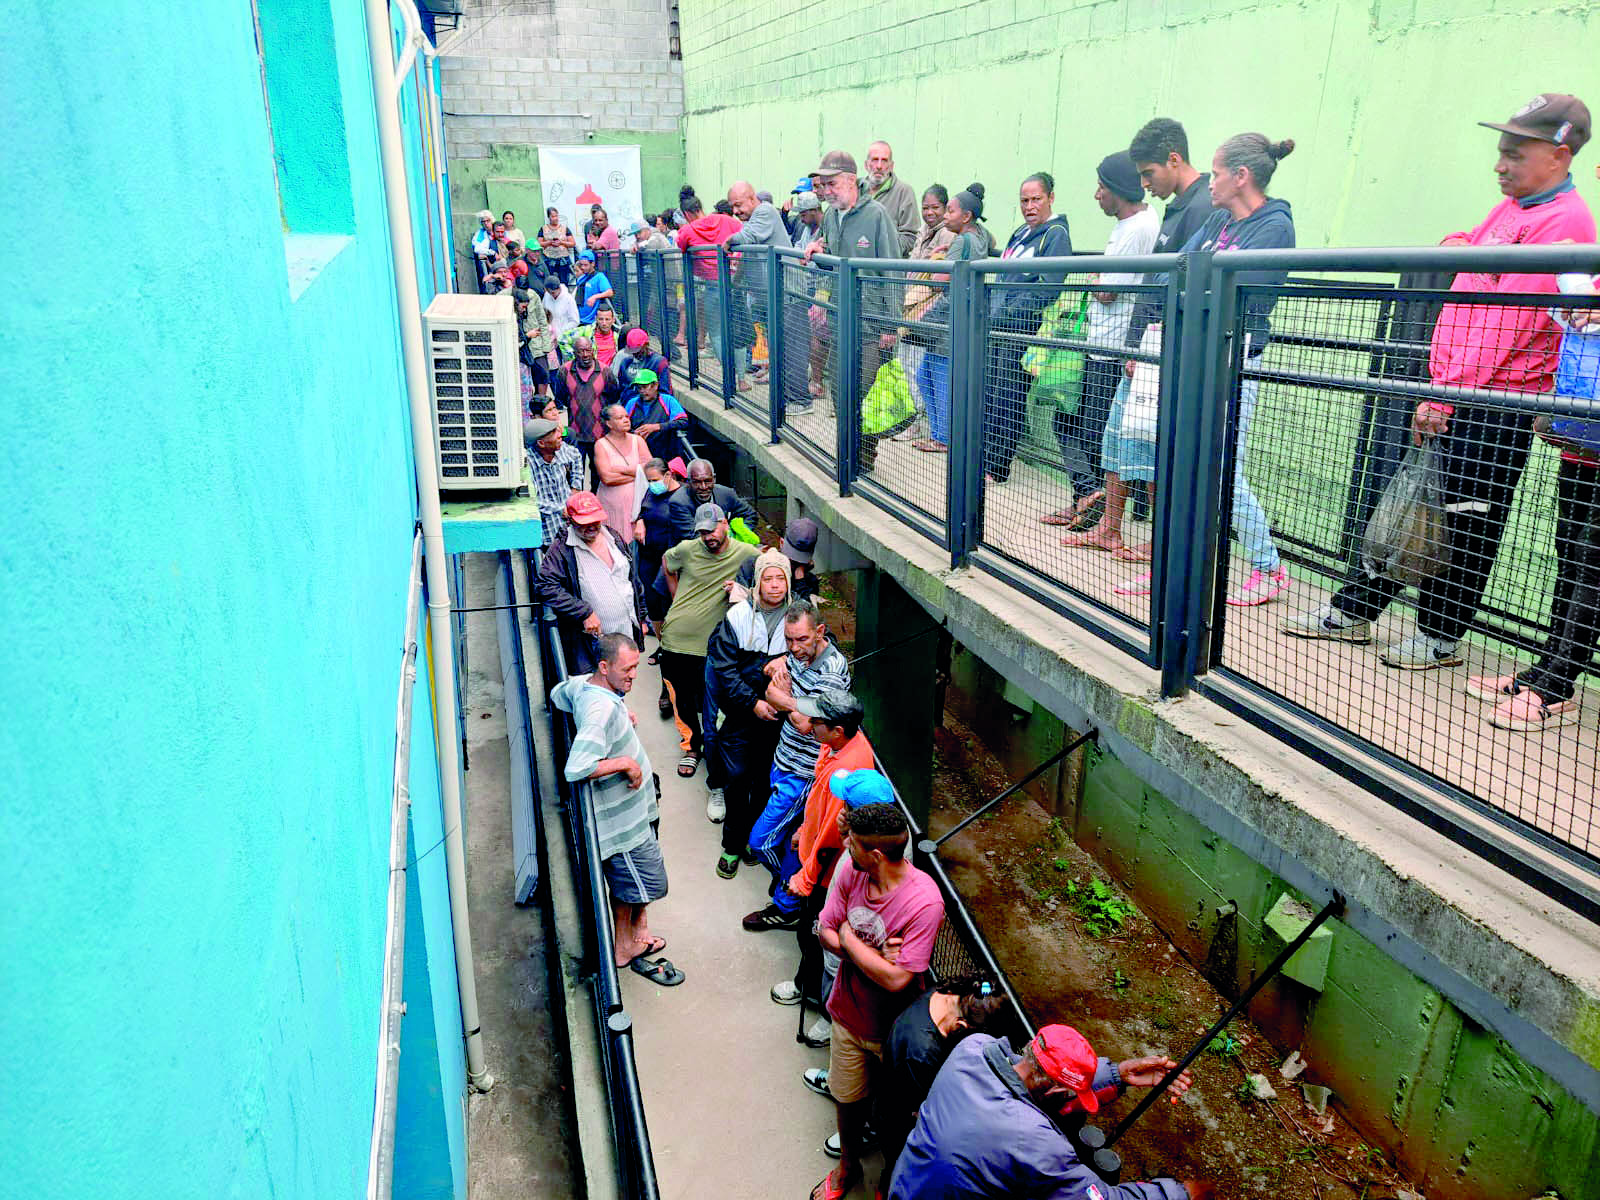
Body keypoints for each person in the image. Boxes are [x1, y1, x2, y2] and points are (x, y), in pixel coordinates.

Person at [1284, 95, 1597, 654]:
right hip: (1459, 388)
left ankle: (1438, 636)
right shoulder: (1517, 208)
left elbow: (1505, 325)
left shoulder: (1565, 222)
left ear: (1559, 153)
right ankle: (1354, 609)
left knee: (1468, 522)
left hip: (1493, 401)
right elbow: (1467, 248)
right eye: (1500, 152)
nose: (1500, 165)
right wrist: (1463, 246)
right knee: (1415, 502)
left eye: (1514, 154)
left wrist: (1444, 396)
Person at [888, 1024, 1205, 1200]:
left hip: (905, 1186)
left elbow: (1029, 1083)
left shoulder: (972, 1050)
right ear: (1054, 1092)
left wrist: (1117, 1074)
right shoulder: (1034, 1140)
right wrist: (1177, 1193)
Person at [809, 802, 944, 1200]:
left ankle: (890, 1179)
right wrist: (870, 953)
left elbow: (897, 979)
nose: (846, 844)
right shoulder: (852, 870)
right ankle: (848, 1165)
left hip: (896, 1031)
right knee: (847, 1100)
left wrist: (850, 939)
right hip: (847, 1015)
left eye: (853, 842)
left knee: (896, 1116)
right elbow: (824, 929)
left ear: (877, 855)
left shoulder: (924, 902)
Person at [552, 634, 683, 987]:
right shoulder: (601, 710)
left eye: (637, 667)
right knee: (646, 884)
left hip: (634, 813)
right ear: (604, 666)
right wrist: (624, 761)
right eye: (627, 669)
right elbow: (575, 767)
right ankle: (625, 948)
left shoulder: (587, 688)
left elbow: (557, 693)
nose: (634, 676)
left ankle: (629, 938)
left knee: (631, 885)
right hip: (622, 827)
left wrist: (616, 704)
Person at [1055, 153, 1162, 550]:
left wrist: (1094, 279)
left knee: (1092, 431)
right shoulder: (1134, 225)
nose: (1096, 195)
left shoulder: (1136, 229)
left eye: (1101, 187)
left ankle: (1094, 503)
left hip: (1115, 349)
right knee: (1087, 429)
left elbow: (1106, 290)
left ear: (1117, 190)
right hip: (1109, 344)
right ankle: (1090, 502)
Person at [743, 601, 853, 926]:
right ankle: (792, 892)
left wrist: (783, 698)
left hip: (803, 773)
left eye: (801, 640)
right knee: (792, 838)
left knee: (760, 842)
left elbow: (807, 724)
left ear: (820, 632)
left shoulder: (832, 672)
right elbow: (771, 687)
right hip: (784, 759)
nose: (793, 648)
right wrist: (783, 690)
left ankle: (790, 896)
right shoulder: (798, 653)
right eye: (789, 640)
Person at [772, 765, 894, 1050]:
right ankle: (807, 989)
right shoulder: (860, 836)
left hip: (849, 937)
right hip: (830, 912)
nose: (841, 808)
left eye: (847, 806)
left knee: (836, 976)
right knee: (810, 942)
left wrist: (839, 931)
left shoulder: (878, 852)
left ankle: (829, 1019)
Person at [805, 150, 905, 469]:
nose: (826, 190)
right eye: (823, 184)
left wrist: (891, 325)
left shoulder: (875, 215)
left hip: (872, 324)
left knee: (863, 392)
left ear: (850, 181)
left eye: (832, 183)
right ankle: (847, 452)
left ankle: (862, 456)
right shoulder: (832, 216)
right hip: (840, 320)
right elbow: (829, 249)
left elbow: (892, 270)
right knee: (840, 390)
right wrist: (816, 248)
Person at [870, 975, 1012, 1182]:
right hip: (898, 1121)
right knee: (898, 1167)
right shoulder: (923, 1053)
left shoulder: (946, 993)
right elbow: (923, 1111)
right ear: (961, 1025)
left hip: (890, 1092)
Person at [984, 172, 1073, 484]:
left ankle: (997, 467)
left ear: (1050, 198)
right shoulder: (1021, 232)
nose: (1030, 206)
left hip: (1024, 331)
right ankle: (985, 460)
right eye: (1025, 200)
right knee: (991, 394)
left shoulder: (1056, 234)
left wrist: (1008, 313)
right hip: (997, 327)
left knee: (1008, 396)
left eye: (1036, 199)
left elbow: (1048, 288)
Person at [705, 549, 793, 860]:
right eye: (767, 579)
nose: (774, 585)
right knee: (738, 778)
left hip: (778, 721)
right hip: (740, 716)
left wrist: (787, 657)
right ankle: (731, 846)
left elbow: (825, 642)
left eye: (780, 578)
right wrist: (753, 702)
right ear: (756, 583)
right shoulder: (738, 616)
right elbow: (725, 668)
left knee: (765, 780)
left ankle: (753, 841)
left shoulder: (799, 615)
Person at [759, 692, 875, 928]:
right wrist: (804, 829)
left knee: (811, 932)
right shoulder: (833, 745)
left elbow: (831, 835)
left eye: (816, 721)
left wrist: (806, 879)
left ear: (838, 730)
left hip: (825, 874)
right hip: (813, 849)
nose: (808, 723)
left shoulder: (846, 771)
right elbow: (818, 801)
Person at [660, 503, 759, 777]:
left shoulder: (746, 553)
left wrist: (741, 590)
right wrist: (676, 596)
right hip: (676, 641)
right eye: (702, 533)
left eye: (712, 529)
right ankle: (692, 747)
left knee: (714, 703)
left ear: (725, 523)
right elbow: (667, 563)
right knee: (682, 699)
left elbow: (769, 573)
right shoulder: (687, 549)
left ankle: (718, 754)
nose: (708, 537)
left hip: (713, 646)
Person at [536, 491, 647, 673]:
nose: (591, 526)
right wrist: (583, 611)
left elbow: (633, 581)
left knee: (621, 683)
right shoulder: (563, 549)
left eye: (595, 520)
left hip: (625, 635)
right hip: (592, 644)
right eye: (584, 522)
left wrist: (641, 618)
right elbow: (545, 586)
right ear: (571, 520)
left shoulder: (614, 537)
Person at [913, 184, 988, 455]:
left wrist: (939, 258)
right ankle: (939, 433)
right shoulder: (980, 235)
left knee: (937, 378)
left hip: (949, 320)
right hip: (964, 318)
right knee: (926, 376)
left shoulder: (960, 241)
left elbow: (937, 282)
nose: (945, 215)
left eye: (951, 211)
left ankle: (943, 437)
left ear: (965, 216)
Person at [728, 181, 792, 390]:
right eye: (733, 207)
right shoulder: (752, 219)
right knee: (770, 334)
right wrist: (734, 284)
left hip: (782, 289)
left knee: (784, 337)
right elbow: (746, 256)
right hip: (764, 293)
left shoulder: (764, 211)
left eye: (739, 205)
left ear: (752, 198)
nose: (736, 211)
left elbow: (748, 238)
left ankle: (786, 384)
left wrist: (727, 242)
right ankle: (772, 369)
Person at [638, 456, 688, 716]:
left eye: (655, 480)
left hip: (670, 570)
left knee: (673, 625)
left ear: (669, 475)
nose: (652, 485)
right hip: (649, 564)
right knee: (657, 616)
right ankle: (662, 646)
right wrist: (639, 520)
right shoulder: (651, 492)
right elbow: (643, 509)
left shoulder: (681, 500)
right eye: (649, 481)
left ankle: (667, 688)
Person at [676, 193, 746, 376]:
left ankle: (728, 373)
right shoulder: (725, 220)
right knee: (737, 330)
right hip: (734, 282)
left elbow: (680, 244)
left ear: (686, 214)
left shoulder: (688, 230)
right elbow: (744, 232)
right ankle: (741, 377)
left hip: (712, 285)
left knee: (716, 331)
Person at [551, 334, 618, 479]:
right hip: (575, 435)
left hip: (600, 436)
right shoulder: (565, 371)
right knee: (575, 475)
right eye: (581, 351)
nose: (585, 355)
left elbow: (613, 397)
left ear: (593, 351)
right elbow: (561, 397)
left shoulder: (605, 371)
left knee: (599, 476)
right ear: (574, 353)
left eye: (588, 350)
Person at [786, 191, 828, 408]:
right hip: (806, 287)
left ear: (814, 211)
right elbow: (798, 252)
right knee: (811, 333)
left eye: (803, 213)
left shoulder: (826, 227)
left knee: (817, 334)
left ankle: (818, 380)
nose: (800, 218)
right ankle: (815, 379)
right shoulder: (806, 229)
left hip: (824, 288)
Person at [667, 458, 759, 546]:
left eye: (707, 481)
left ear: (714, 479)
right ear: (688, 482)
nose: (703, 487)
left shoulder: (726, 493)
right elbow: (693, 537)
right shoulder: (678, 502)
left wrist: (740, 533)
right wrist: (726, 538)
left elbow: (750, 515)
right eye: (697, 482)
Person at [593, 403, 649, 546]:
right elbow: (607, 478)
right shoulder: (601, 445)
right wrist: (637, 473)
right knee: (615, 545)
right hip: (613, 507)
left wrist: (622, 470)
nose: (626, 420)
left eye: (626, 416)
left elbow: (650, 469)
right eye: (620, 418)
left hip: (638, 507)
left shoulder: (638, 440)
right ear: (609, 423)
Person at [525, 416, 585, 548]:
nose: (560, 435)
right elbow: (530, 501)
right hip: (546, 533)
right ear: (541, 443)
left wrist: (575, 488)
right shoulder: (528, 464)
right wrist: (560, 509)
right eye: (553, 433)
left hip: (569, 529)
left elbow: (576, 455)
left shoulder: (561, 449)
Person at [734, 515, 822, 602]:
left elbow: (806, 613)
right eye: (791, 559)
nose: (792, 564)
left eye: (800, 561)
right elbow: (739, 605)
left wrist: (800, 581)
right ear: (781, 542)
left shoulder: (808, 581)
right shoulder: (752, 566)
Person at [865, 140, 920, 254]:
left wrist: (876, 247)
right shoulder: (856, 190)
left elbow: (910, 239)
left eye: (884, 161)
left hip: (887, 268)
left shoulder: (904, 192)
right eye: (875, 160)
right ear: (866, 165)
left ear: (891, 166)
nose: (879, 166)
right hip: (855, 266)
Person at [623, 368, 688, 462]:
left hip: (665, 455)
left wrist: (657, 427)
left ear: (655, 385)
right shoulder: (631, 403)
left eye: (645, 387)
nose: (641, 391)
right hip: (638, 456)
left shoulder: (668, 400)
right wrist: (633, 433)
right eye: (639, 388)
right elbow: (622, 426)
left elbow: (683, 421)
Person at [514, 285, 555, 402]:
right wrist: (527, 336)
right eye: (522, 307)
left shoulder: (534, 297)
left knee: (543, 374)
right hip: (520, 353)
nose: (524, 310)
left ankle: (540, 403)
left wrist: (546, 346)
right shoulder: (510, 315)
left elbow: (542, 320)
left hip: (535, 346)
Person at [613, 326, 670, 405]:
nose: (635, 353)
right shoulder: (625, 362)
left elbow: (665, 392)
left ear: (646, 345)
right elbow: (622, 388)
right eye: (632, 350)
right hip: (628, 406)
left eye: (638, 350)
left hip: (650, 407)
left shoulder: (658, 362)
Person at [574, 251, 615, 325]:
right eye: (581, 265)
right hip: (579, 319)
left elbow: (610, 292)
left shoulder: (599, 277)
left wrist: (595, 297)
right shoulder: (581, 278)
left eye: (586, 265)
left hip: (591, 321)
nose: (583, 267)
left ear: (592, 264)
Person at [539, 206, 577, 284]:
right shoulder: (543, 229)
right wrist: (549, 243)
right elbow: (539, 243)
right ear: (549, 217)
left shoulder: (564, 228)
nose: (555, 218)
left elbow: (572, 243)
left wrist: (561, 243)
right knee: (550, 281)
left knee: (564, 282)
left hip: (563, 260)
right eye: (553, 216)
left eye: (556, 216)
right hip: (549, 259)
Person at [543, 275, 581, 346]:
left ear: (559, 288)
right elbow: (544, 314)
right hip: (550, 338)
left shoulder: (568, 299)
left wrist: (559, 332)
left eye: (553, 293)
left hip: (565, 338)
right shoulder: (546, 296)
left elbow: (575, 321)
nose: (551, 295)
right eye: (549, 293)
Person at [471, 210, 497, 289]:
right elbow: (477, 249)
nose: (486, 223)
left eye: (487, 221)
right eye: (483, 221)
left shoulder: (497, 229)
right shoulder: (480, 234)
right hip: (489, 261)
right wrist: (492, 252)